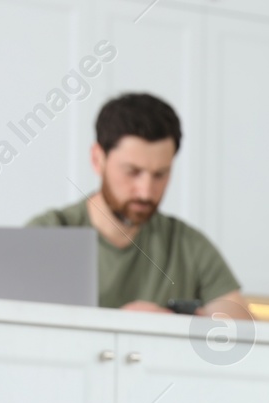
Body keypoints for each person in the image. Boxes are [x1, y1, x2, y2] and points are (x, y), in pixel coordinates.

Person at [28, 93, 250, 319]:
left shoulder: (189, 247)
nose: (146, 192)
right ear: (98, 159)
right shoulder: (46, 236)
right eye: (132, 172)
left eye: (160, 174)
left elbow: (242, 333)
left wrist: (172, 323)